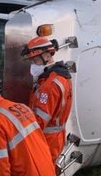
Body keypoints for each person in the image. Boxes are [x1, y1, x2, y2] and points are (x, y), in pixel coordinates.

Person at [20, 36, 73, 164]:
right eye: (32, 60)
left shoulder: (50, 85)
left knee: (41, 174)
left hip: (46, 140)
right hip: (54, 138)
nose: (33, 64)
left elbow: (38, 121)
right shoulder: (59, 76)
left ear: (48, 55)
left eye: (36, 60)